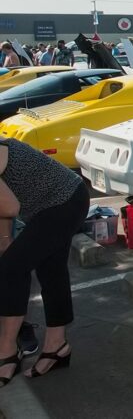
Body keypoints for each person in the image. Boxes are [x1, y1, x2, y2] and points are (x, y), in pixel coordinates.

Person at [0, 137, 90, 385]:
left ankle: (7, 352)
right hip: (46, 207)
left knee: (10, 270)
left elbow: (9, 206)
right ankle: (57, 347)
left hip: (66, 200)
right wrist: (6, 239)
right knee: (51, 271)